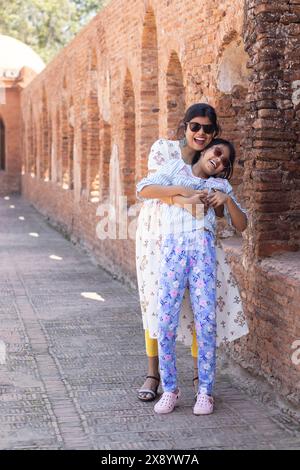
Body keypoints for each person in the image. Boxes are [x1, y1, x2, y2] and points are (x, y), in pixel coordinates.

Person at [136, 103, 248, 402]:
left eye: (207, 130)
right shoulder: (170, 159)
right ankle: (162, 381)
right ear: (185, 125)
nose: (200, 133)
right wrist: (183, 196)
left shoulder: (218, 183)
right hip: (160, 239)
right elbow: (146, 189)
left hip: (201, 250)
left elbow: (240, 223)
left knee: (204, 315)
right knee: (161, 310)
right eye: (195, 126)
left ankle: (203, 386)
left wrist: (224, 199)